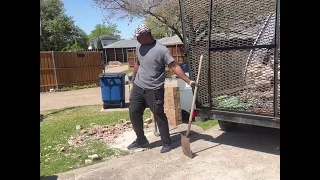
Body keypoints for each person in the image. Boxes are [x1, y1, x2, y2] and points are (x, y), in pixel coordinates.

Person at [128, 24, 197, 153]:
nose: (137, 39)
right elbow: (138, 64)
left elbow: (174, 66)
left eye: (138, 37)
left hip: (154, 88)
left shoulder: (161, 50)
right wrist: (133, 82)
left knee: (159, 115)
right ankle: (141, 140)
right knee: (133, 112)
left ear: (146, 35)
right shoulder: (139, 47)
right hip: (138, 86)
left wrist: (189, 81)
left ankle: (167, 142)